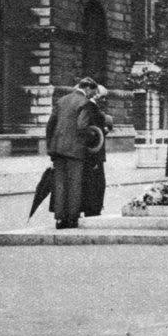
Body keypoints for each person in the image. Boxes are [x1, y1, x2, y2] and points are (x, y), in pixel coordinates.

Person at [45, 76, 99, 229]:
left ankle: (60, 219)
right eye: (92, 93)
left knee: (60, 183)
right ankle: (72, 218)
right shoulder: (85, 103)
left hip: (57, 149)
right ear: (87, 88)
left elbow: (50, 125)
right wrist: (94, 135)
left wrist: (51, 146)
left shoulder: (62, 100)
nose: (92, 96)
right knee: (75, 183)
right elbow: (82, 126)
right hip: (75, 150)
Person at [82, 85, 113, 217]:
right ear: (96, 95)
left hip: (94, 152)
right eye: (103, 97)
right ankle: (93, 209)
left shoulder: (92, 107)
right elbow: (92, 132)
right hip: (94, 153)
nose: (104, 101)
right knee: (96, 182)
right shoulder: (91, 108)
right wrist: (104, 130)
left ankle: (93, 208)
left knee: (95, 182)